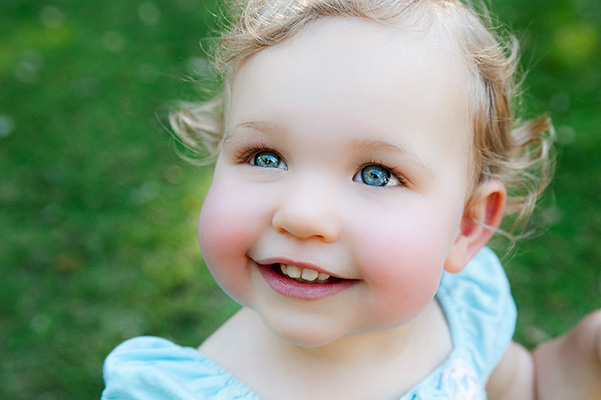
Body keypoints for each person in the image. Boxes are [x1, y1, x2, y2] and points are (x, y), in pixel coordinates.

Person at [102, 0, 601, 398]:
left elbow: (527, 388)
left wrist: (589, 352)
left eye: (377, 174)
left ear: (466, 226)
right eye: (266, 157)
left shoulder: (461, 315)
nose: (301, 215)